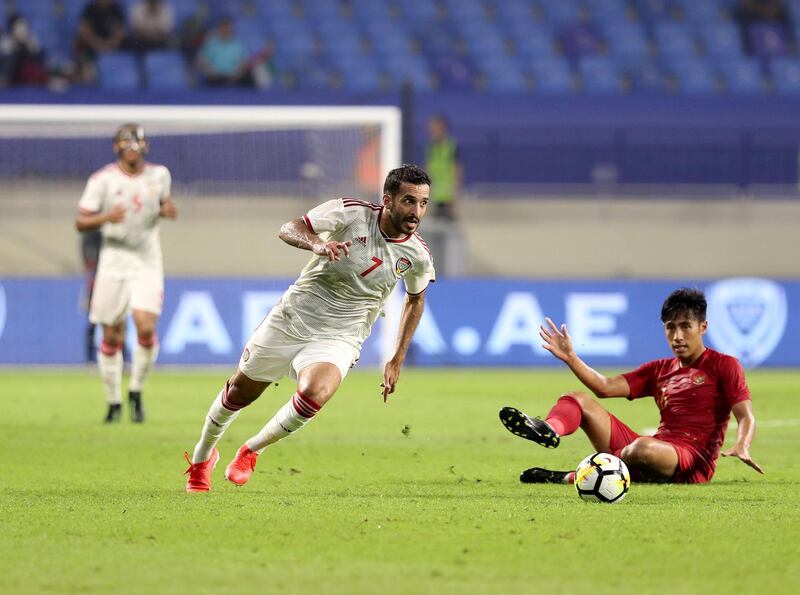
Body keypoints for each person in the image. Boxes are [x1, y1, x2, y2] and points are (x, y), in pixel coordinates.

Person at [183, 164, 435, 493]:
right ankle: (203, 457)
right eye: (408, 201)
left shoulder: (417, 254)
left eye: (423, 203)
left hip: (342, 334)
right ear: (387, 200)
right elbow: (289, 228)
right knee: (238, 393)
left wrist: (396, 358)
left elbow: (414, 300)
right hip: (294, 318)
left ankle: (251, 450)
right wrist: (317, 244)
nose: (416, 211)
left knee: (315, 392)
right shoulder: (350, 213)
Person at [499, 288, 763, 485]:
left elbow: (745, 414)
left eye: (686, 327)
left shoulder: (724, 365)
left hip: (692, 460)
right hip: (657, 448)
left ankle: (575, 475)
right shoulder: (660, 369)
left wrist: (743, 444)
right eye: (670, 327)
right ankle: (549, 429)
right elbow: (605, 387)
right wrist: (571, 358)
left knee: (641, 448)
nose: (677, 336)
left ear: (702, 327)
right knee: (576, 398)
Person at [74, 123, 177, 423]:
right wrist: (106, 216)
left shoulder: (160, 175)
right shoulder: (102, 180)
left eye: (138, 141)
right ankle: (113, 401)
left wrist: (169, 210)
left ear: (145, 146)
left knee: (145, 327)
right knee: (112, 333)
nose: (132, 146)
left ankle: (136, 390)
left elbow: (164, 204)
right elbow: (81, 221)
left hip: (147, 260)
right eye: (126, 141)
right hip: (113, 261)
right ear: (116, 147)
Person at [74, 0, 127, 82]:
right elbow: (84, 31)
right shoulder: (90, 9)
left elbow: (120, 32)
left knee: (129, 42)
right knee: (79, 43)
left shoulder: (116, 9)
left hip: (112, 45)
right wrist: (98, 44)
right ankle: (86, 75)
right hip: (93, 44)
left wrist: (110, 44)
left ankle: (121, 75)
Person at [425, 114, 462, 220]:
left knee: (449, 226)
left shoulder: (452, 146)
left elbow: (457, 170)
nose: (432, 132)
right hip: (435, 194)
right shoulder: (430, 146)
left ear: (443, 129)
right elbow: (428, 168)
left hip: (448, 194)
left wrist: (456, 195)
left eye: (435, 129)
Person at [0, 14, 49, 86]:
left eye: (25, 27)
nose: (23, 30)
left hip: (30, 85)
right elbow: (6, 71)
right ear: (12, 29)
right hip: (10, 85)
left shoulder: (32, 43)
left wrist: (35, 50)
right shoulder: (6, 44)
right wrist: (9, 52)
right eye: (19, 27)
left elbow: (41, 66)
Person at [79, 228, 103, 363]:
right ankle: (90, 360)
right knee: (93, 322)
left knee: (118, 323)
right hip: (96, 285)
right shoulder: (91, 234)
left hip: (112, 282)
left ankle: (122, 358)